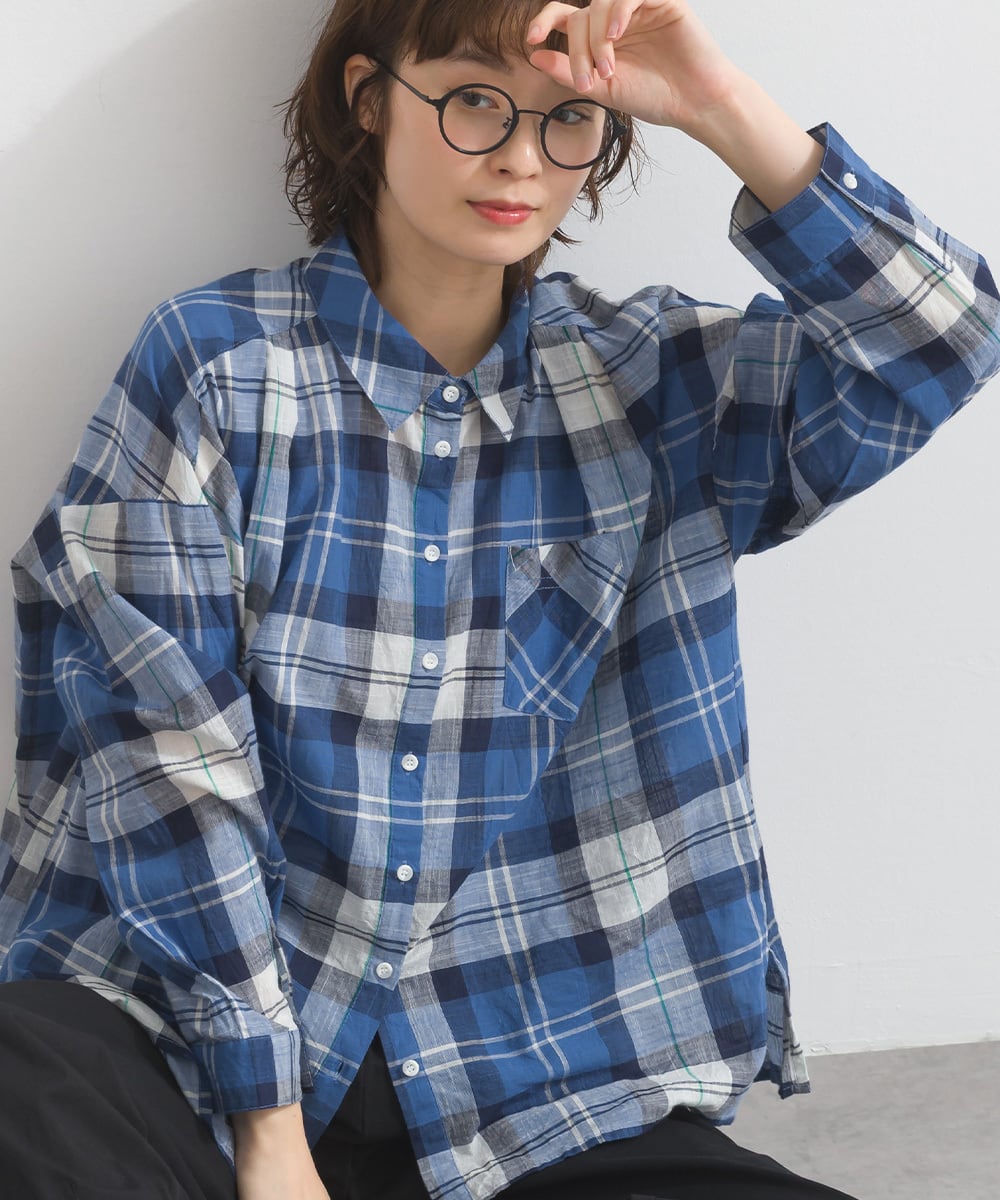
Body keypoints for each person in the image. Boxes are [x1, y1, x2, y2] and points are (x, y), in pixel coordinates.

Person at [0, 1, 997, 1198]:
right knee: (24, 1092)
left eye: (566, 117)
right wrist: (268, 1128)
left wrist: (717, 102)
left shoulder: (656, 381)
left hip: (537, 1090)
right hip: (193, 1061)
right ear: (369, 99)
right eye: (474, 100)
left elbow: (942, 341)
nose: (522, 157)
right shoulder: (217, 366)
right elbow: (169, 760)